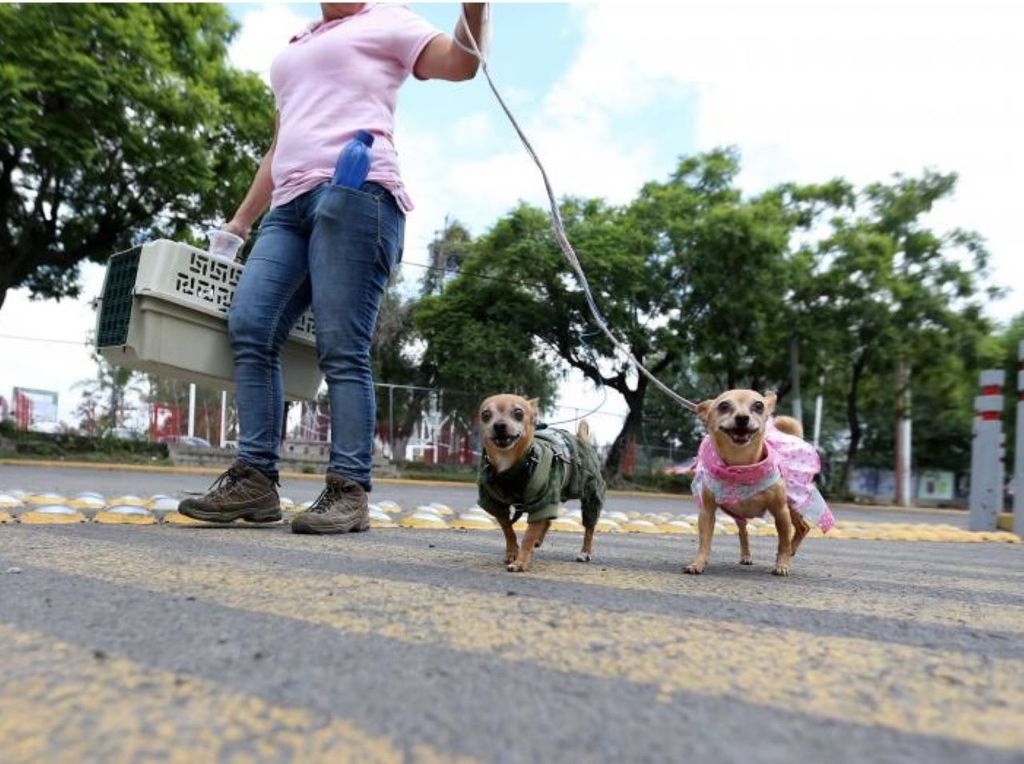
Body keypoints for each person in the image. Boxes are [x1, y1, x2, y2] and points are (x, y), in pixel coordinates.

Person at [180, 3, 487, 533]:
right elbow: (280, 146)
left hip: (357, 192)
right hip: (288, 206)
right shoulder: (298, 42)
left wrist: (477, 10)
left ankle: (349, 488)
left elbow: (462, 62)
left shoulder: (390, 19)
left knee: (341, 346)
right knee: (251, 326)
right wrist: (238, 223)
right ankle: (255, 480)